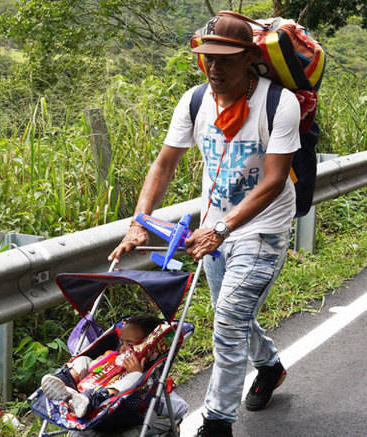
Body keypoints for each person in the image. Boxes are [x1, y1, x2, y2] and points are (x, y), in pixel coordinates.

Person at [108, 12, 299, 437]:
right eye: (208, 58)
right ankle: (269, 367)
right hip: (211, 232)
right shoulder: (195, 101)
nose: (215, 67)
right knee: (229, 313)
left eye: (226, 59)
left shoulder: (277, 102)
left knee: (228, 320)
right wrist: (140, 221)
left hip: (260, 228)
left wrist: (223, 229)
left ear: (249, 57)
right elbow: (164, 165)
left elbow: (273, 180)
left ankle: (217, 422)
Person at [39, 315, 188, 420]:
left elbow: (181, 408)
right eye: (121, 342)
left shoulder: (147, 377)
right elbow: (94, 367)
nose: (122, 348)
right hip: (84, 388)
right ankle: (65, 385)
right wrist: (99, 363)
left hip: (109, 405)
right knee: (83, 359)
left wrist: (137, 373)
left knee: (134, 378)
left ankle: (90, 400)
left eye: (130, 344)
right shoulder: (115, 356)